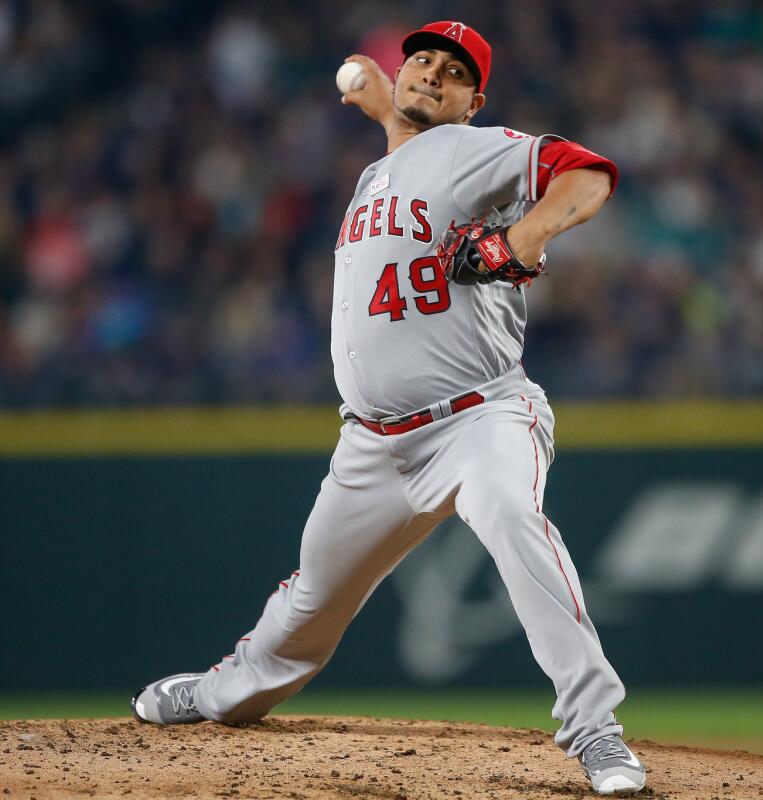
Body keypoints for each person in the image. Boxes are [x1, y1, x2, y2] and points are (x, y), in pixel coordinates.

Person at [131, 21, 647, 796]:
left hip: (479, 420)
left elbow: (588, 173)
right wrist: (383, 107)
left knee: (512, 517)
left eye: (454, 73)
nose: (433, 74)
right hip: (372, 446)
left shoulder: (474, 148)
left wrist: (526, 238)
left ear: (476, 101)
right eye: (422, 62)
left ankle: (595, 731)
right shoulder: (386, 168)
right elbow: (407, 139)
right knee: (309, 606)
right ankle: (214, 697)